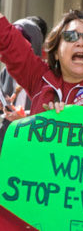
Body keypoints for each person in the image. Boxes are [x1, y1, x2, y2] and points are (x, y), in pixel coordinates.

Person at [0, 16, 47, 150]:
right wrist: (4, 105)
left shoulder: (45, 78)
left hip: (32, 141)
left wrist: (25, 116)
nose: (17, 48)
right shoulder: (6, 73)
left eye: (22, 41)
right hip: (7, 138)